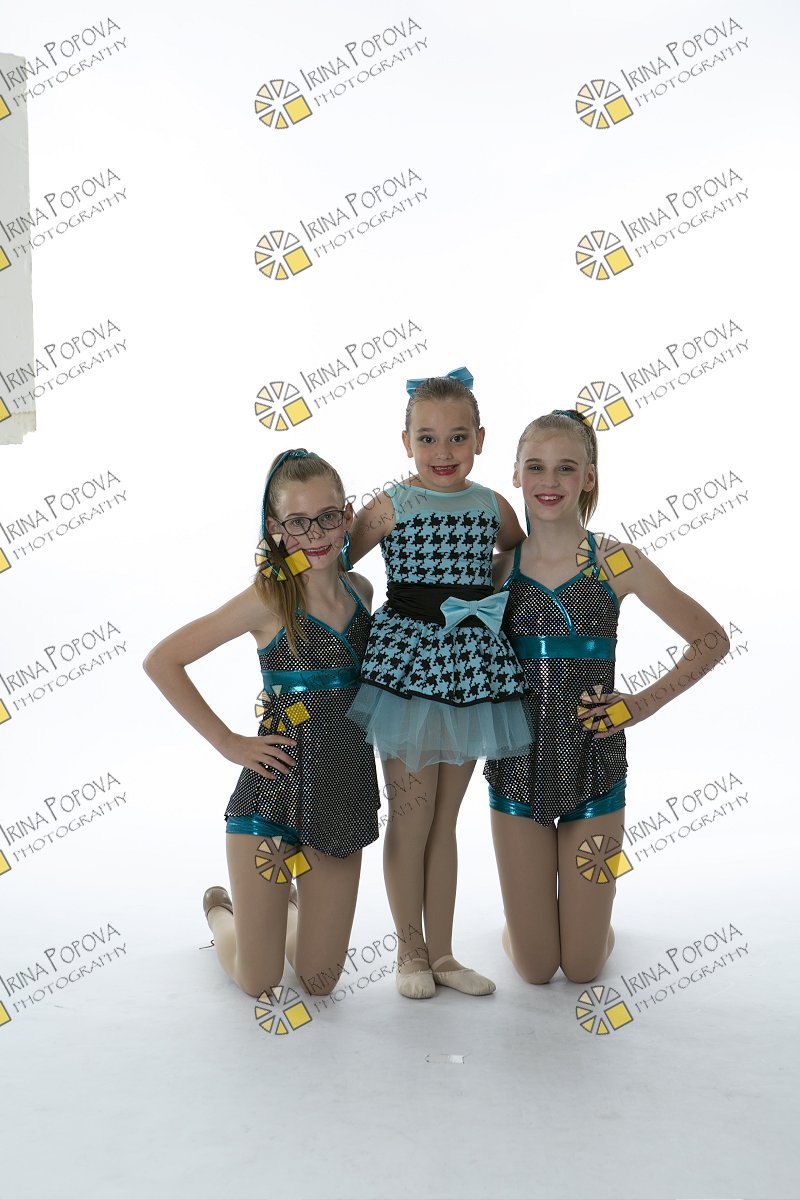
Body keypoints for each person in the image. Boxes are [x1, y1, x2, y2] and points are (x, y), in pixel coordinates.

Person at [485, 409, 730, 984]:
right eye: (536, 467)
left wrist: (638, 705)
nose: (550, 481)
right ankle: (524, 927)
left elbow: (710, 641)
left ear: (589, 477)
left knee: (583, 967)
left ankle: (588, 928)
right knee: (537, 970)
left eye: (566, 468)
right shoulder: (498, 570)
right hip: (515, 768)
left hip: (594, 767)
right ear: (516, 474)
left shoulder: (616, 560)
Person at [142, 449, 380, 999]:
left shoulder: (362, 592)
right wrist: (228, 742)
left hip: (341, 794)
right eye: (297, 522)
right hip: (272, 793)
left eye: (327, 517)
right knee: (260, 980)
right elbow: (163, 660)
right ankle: (223, 914)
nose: (314, 534)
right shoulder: (268, 599)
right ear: (275, 529)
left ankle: (281, 911)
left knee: (319, 982)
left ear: (346, 516)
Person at [345, 369, 532, 999]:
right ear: (406, 442)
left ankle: (444, 953)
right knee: (411, 816)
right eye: (427, 438)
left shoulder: (491, 505)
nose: (443, 452)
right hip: (407, 666)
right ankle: (409, 951)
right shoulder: (391, 504)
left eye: (457, 437)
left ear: (480, 439)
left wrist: (485, 601)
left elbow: (516, 555)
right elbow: (335, 564)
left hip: (472, 666)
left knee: (445, 820)